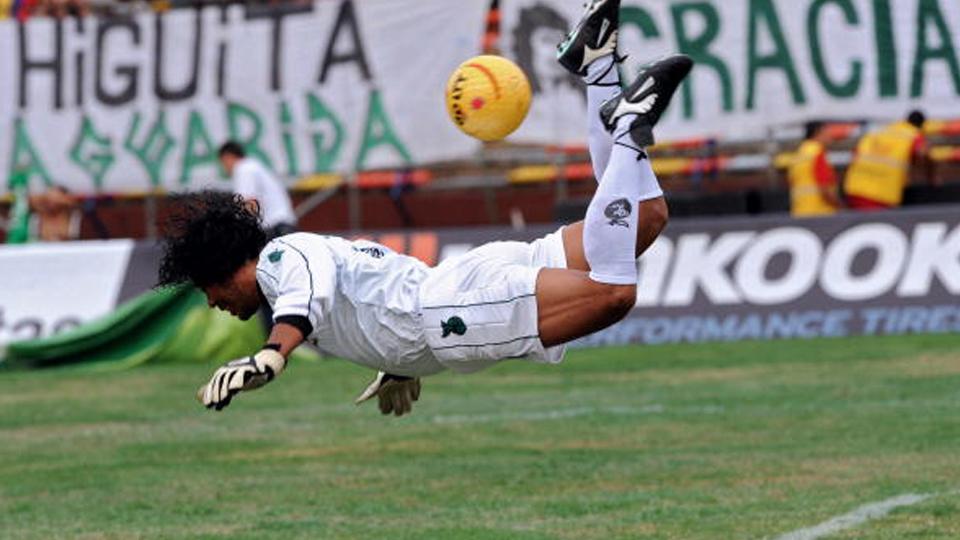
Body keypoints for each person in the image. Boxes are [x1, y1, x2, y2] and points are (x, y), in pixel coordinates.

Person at [158, 0, 691, 416]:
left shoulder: (280, 259)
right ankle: (597, 67)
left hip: (454, 309)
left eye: (211, 288)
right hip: (460, 285)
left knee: (613, 291)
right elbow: (373, 303)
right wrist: (396, 364)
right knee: (645, 219)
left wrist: (272, 354)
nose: (212, 303)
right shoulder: (301, 258)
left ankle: (624, 128)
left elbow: (306, 295)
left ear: (234, 266)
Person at [843, 110, 933, 211]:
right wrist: (930, 174)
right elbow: (923, 153)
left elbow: (855, 153)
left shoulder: (881, 130)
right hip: (882, 193)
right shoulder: (914, 135)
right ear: (921, 125)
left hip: (855, 186)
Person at [218, 141, 298, 239]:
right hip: (283, 226)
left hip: (275, 228)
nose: (224, 168)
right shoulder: (254, 166)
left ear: (228, 157)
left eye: (222, 162)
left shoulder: (244, 169)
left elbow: (249, 202)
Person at [787, 121, 841, 217]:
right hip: (819, 213)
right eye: (827, 132)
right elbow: (825, 190)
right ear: (817, 132)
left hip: (800, 212)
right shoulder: (817, 153)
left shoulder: (799, 153)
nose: (830, 136)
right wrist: (840, 206)